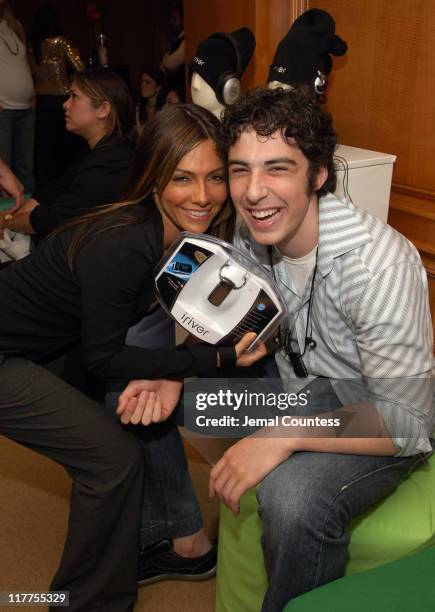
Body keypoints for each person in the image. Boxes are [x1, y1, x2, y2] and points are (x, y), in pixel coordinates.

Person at [119, 88, 434, 611]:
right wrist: (174, 373)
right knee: (154, 397)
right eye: (240, 170)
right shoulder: (252, 234)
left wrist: (281, 436)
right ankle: (191, 542)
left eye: (278, 168)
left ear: (318, 175)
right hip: (297, 391)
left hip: (375, 411)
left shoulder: (380, 265)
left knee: (291, 499)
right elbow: (237, 327)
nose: (253, 191)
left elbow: (407, 418)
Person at [0, 103, 265, 611]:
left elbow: (170, 324)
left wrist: (178, 369)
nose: (203, 195)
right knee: (111, 460)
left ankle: (126, 560)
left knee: (115, 421)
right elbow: (105, 359)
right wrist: (211, 363)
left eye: (214, 177)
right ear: (153, 176)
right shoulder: (125, 242)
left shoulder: (176, 237)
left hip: (48, 346)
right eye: (182, 178)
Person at [0, 68, 135, 239]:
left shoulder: (112, 162)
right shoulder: (96, 149)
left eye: (74, 96)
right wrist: (14, 215)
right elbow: (55, 190)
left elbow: (51, 220)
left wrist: (6, 220)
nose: (65, 104)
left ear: (103, 109)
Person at [29, 3, 85, 188]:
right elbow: (80, 68)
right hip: (62, 100)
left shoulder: (32, 47)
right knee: (66, 151)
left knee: (45, 152)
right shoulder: (60, 42)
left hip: (42, 103)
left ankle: (46, 192)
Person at [0, 0, 35, 192]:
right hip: (3, 110)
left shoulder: (16, 25)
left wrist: (33, 93)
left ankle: (27, 218)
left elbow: (24, 62)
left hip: (26, 108)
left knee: (26, 170)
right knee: (3, 173)